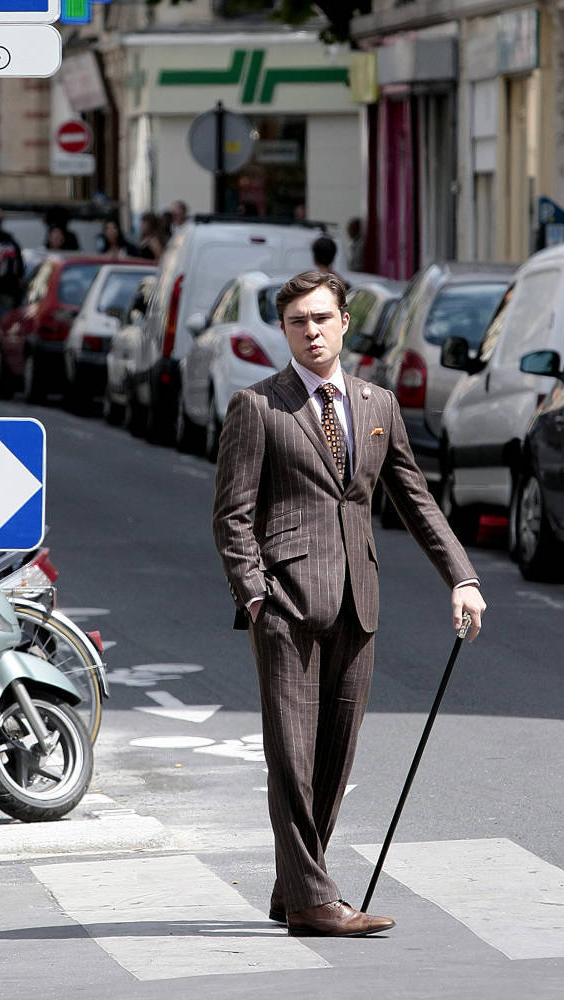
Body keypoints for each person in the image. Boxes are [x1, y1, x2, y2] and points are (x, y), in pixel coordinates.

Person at [212, 270, 486, 938]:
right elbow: (231, 516)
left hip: (358, 605)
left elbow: (415, 500)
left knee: (335, 756)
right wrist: (255, 596)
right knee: (291, 757)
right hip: (285, 609)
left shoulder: (377, 406)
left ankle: (292, 888)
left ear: (345, 322)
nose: (311, 330)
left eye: (322, 318)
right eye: (298, 321)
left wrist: (462, 576)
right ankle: (313, 901)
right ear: (284, 330)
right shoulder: (258, 406)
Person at [0, 206, 23, 375]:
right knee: (5, 339)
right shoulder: (12, 242)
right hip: (8, 297)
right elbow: (20, 274)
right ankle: (4, 375)